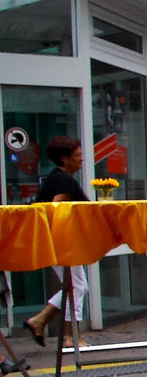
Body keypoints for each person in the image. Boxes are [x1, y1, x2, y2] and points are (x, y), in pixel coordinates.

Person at [24, 136, 89, 347]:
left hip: (53, 239)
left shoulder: (56, 178)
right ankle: (70, 336)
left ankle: (41, 321)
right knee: (77, 286)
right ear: (64, 158)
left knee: (75, 285)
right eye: (78, 155)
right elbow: (55, 209)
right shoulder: (64, 181)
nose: (82, 159)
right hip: (61, 240)